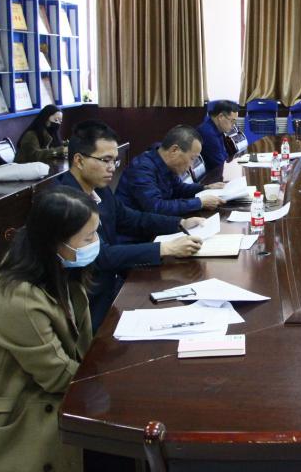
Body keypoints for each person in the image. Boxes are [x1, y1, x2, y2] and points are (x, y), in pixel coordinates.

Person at [0, 186, 97, 472]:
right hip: (22, 416)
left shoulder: (56, 266)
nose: (96, 243)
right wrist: (109, 381)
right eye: (88, 238)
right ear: (55, 242)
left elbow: (80, 346)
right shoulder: (19, 297)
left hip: (45, 390)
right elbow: (59, 377)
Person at [56, 120, 205, 329]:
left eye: (114, 161)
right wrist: (164, 248)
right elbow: (101, 256)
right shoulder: (64, 201)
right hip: (84, 298)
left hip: (109, 282)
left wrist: (179, 222)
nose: (111, 168)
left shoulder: (99, 189)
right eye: (105, 160)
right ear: (79, 160)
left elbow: (131, 218)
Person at [116, 125, 226, 217]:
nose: (191, 166)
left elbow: (178, 189)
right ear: (174, 150)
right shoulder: (141, 169)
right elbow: (156, 207)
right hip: (134, 233)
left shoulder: (164, 161)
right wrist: (199, 203)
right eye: (192, 159)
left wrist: (205, 188)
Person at [198, 100, 242, 174]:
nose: (233, 125)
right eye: (232, 121)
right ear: (221, 117)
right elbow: (220, 164)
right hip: (210, 176)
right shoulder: (209, 134)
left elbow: (224, 156)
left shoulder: (216, 128)